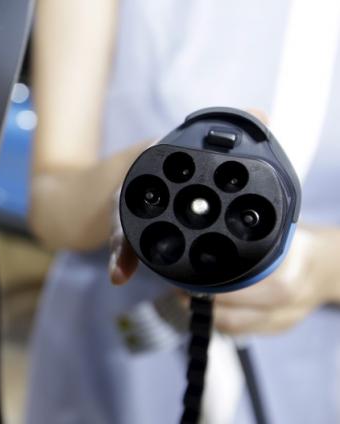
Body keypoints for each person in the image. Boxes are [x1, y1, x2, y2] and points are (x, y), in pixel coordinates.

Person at [26, 0, 340, 423]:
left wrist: (320, 269)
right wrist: (138, 175)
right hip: (117, 356)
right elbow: (50, 203)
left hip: (303, 370)